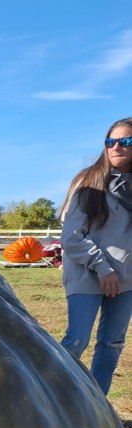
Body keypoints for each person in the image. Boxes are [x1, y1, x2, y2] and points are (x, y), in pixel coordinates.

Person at [59, 118, 132, 397]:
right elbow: (71, 237)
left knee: (112, 344)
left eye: (125, 141)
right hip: (87, 273)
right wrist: (103, 268)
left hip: (126, 281)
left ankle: (98, 405)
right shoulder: (88, 182)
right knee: (76, 341)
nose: (116, 147)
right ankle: (59, 401)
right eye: (110, 141)